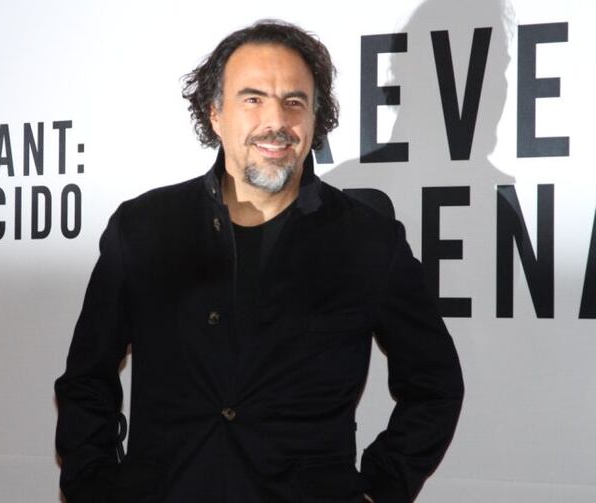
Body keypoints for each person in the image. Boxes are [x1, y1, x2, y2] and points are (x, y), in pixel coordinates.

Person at [55, 19, 464, 503]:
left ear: (315, 117)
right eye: (252, 99)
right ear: (215, 113)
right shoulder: (143, 227)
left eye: (295, 101)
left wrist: (381, 489)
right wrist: (93, 486)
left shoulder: (368, 241)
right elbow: (87, 378)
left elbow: (435, 384)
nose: (276, 121)